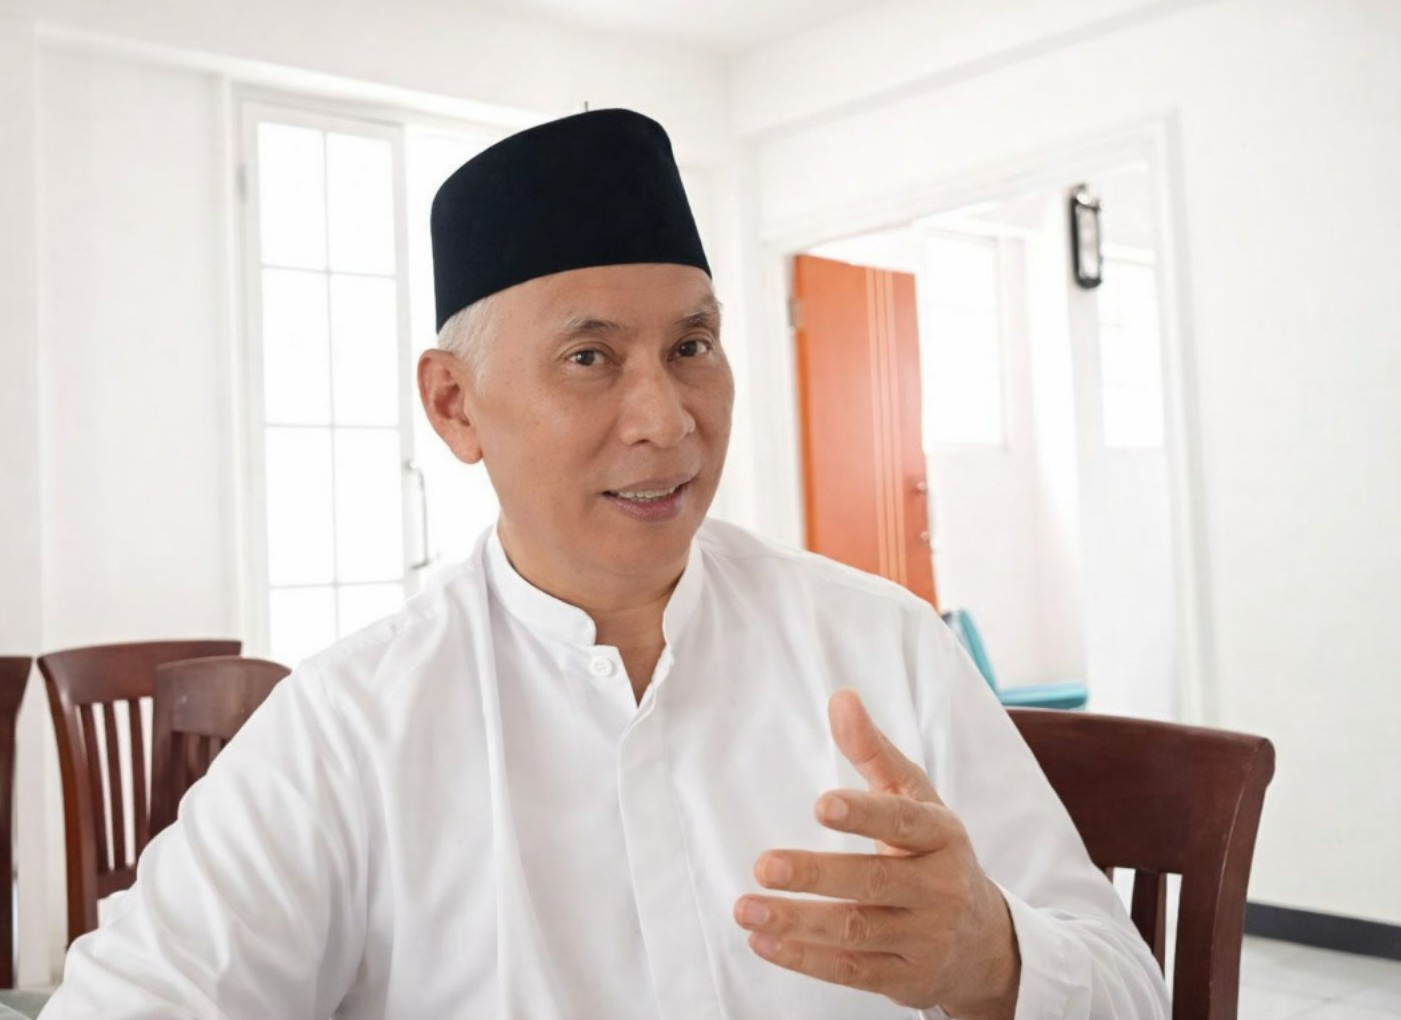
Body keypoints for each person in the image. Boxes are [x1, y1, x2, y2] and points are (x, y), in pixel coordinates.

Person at [41, 109, 1169, 1019]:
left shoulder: (884, 648)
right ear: (455, 404)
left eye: (692, 346)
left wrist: (992, 962)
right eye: (590, 357)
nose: (667, 421)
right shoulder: (351, 727)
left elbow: (1127, 989)